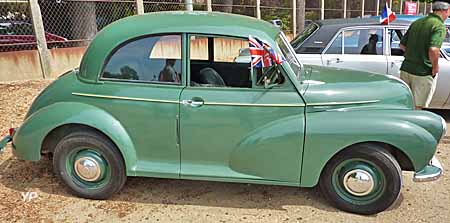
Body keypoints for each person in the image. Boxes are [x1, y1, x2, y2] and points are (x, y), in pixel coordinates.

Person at [400, 0, 450, 109]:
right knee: (418, 108)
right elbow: (433, 49)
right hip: (423, 72)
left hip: (406, 69)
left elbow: (402, 45)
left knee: (406, 106)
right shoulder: (439, 26)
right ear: (446, 11)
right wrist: (435, 67)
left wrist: (413, 55)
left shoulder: (417, 22)